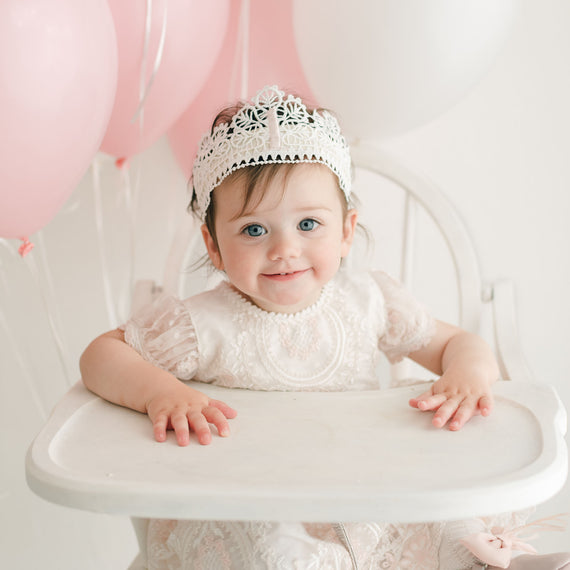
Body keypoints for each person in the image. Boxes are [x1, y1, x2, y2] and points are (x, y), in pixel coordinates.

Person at [80, 86, 568, 570]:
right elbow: (102, 356)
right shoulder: (199, 324)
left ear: (347, 231)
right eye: (254, 230)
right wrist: (161, 393)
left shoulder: (369, 301)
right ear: (213, 245)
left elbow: (459, 343)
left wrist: (468, 374)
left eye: (309, 225)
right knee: (283, 553)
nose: (284, 249)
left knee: (444, 515)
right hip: (249, 503)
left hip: (363, 487)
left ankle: (499, 565)